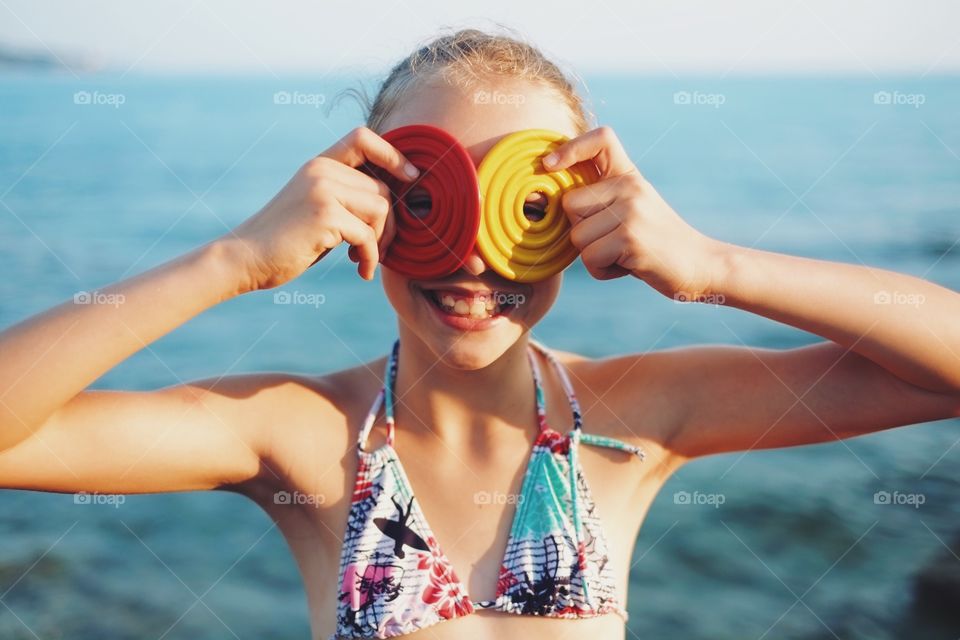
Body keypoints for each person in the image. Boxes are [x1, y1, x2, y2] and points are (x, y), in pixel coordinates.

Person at [1, 28, 958, 640]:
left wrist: (715, 267)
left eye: (524, 208)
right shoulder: (302, 439)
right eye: (426, 200)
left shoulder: (637, 419)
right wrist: (235, 259)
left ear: (582, 214)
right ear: (362, 206)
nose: (473, 258)